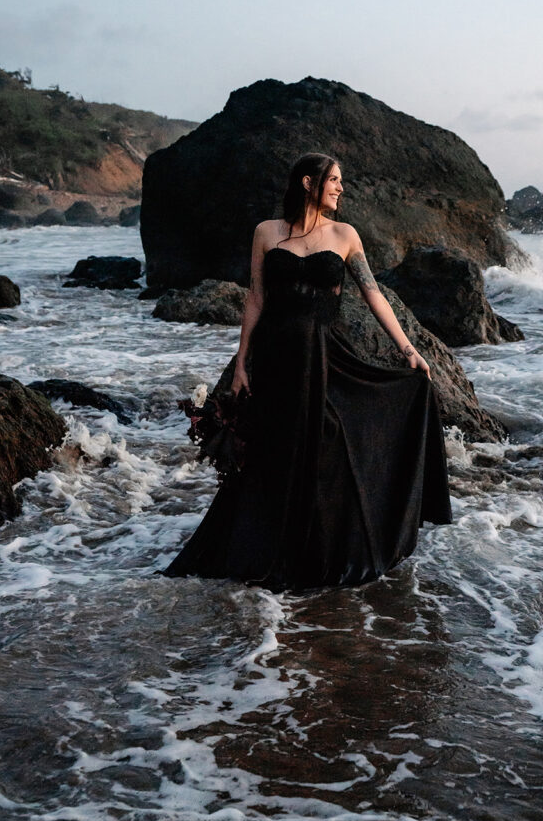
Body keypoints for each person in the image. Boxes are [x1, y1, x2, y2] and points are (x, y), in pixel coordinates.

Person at [162, 153, 451, 591]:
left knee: (330, 441)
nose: (340, 189)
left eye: (340, 181)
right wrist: (242, 361)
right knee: (274, 453)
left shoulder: (345, 234)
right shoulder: (266, 232)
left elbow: (373, 295)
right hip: (278, 355)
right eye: (333, 180)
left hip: (324, 351)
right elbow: (256, 297)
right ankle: (263, 551)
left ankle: (329, 551)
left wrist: (408, 350)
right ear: (307, 183)